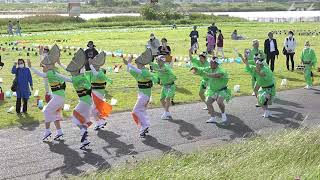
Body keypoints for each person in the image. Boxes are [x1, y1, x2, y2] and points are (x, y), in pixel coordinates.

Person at [56, 49, 92, 149]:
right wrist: (60, 64)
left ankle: (83, 131)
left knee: (75, 117)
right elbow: (70, 70)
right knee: (83, 120)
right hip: (88, 101)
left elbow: (65, 77)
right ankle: (85, 141)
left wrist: (54, 73)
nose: (71, 72)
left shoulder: (75, 79)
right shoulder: (83, 76)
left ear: (77, 71)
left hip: (84, 101)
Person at [27, 45, 65, 141]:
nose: (44, 67)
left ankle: (47, 131)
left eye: (46, 66)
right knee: (55, 114)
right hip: (58, 96)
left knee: (47, 111)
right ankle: (59, 131)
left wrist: (31, 67)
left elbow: (41, 73)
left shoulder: (51, 72)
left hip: (58, 97)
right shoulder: (53, 71)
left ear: (50, 66)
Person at [123, 55, 156, 137]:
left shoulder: (145, 71)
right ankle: (145, 126)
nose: (136, 63)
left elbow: (139, 71)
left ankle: (144, 126)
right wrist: (129, 62)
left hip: (145, 95)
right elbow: (129, 70)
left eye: (137, 62)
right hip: (141, 95)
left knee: (135, 111)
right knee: (141, 110)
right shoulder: (138, 71)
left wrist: (129, 64)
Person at [192, 56, 231, 124]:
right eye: (210, 63)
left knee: (219, 102)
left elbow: (217, 75)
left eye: (213, 63)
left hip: (222, 90)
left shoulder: (221, 70)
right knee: (208, 102)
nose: (211, 64)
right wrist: (196, 68)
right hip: (213, 91)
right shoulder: (209, 68)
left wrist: (207, 74)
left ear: (217, 64)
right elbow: (202, 69)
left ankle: (223, 115)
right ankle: (213, 117)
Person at [240, 53, 276, 118]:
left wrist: (256, 70)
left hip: (269, 87)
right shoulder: (256, 68)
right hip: (262, 85)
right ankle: (266, 111)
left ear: (261, 64)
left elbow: (261, 74)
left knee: (266, 100)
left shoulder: (265, 69)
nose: (256, 65)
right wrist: (243, 58)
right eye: (256, 64)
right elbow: (247, 64)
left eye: (257, 64)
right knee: (261, 99)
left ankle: (267, 102)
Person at [89, 52, 113, 130]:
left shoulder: (100, 73)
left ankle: (100, 122)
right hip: (95, 92)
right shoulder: (93, 72)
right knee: (96, 109)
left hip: (98, 93)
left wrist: (91, 65)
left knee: (94, 109)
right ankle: (101, 122)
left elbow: (96, 74)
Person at [150, 55, 177, 120]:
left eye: (161, 61)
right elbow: (150, 63)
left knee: (168, 98)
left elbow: (162, 70)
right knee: (161, 100)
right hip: (165, 86)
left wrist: (156, 69)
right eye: (158, 61)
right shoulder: (157, 65)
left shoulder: (166, 67)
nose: (159, 62)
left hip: (171, 86)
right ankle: (167, 112)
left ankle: (166, 112)